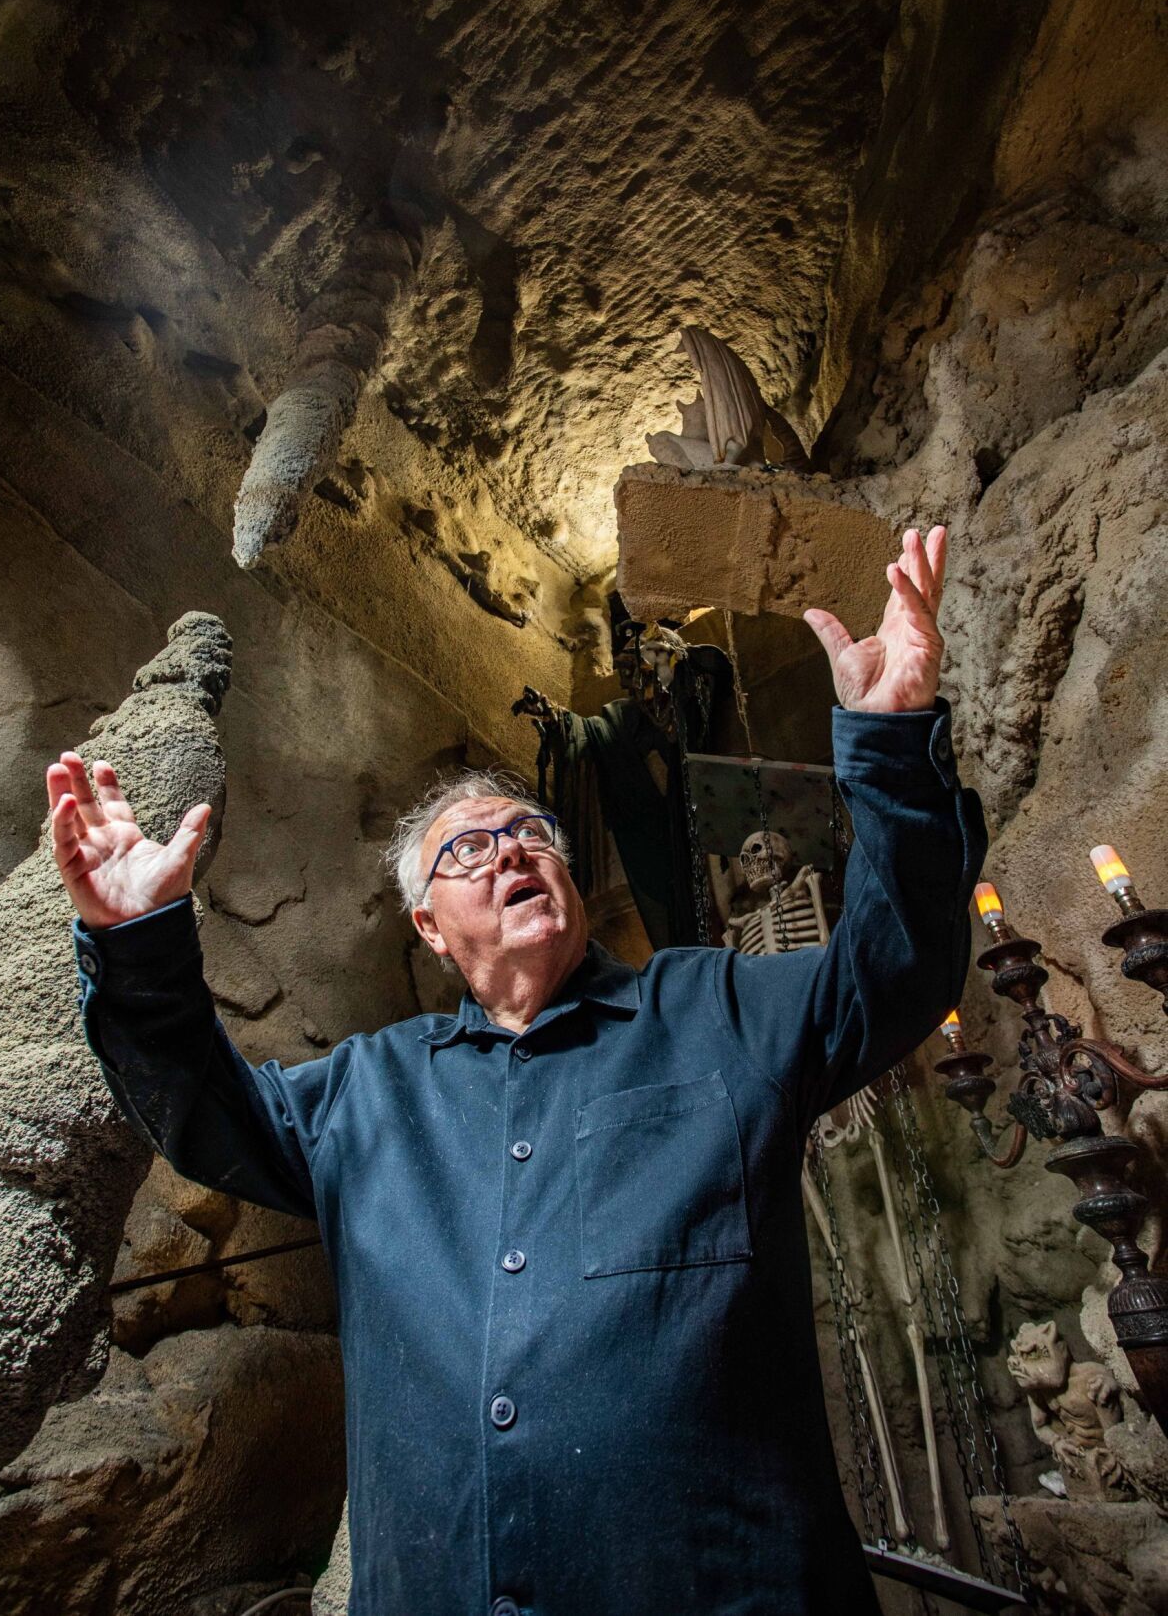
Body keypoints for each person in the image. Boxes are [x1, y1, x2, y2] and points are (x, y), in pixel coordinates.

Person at [51, 526, 986, 1616]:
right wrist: (136, 942)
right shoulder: (366, 1094)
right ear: (431, 929)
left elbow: (897, 968)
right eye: (464, 847)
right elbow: (202, 1114)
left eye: (530, 830)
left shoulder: (718, 1009)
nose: (507, 848)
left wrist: (890, 745)